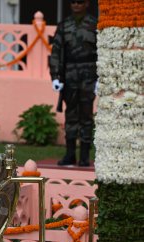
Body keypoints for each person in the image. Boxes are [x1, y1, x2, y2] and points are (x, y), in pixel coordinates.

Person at [49, 0, 97, 167]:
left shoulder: (94, 24)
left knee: (86, 115)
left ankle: (84, 155)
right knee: (71, 115)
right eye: (73, 2)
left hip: (89, 74)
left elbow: (102, 51)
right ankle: (70, 154)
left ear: (87, 4)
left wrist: (101, 78)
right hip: (69, 74)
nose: (76, 5)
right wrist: (55, 76)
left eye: (80, 2)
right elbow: (55, 51)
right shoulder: (64, 25)